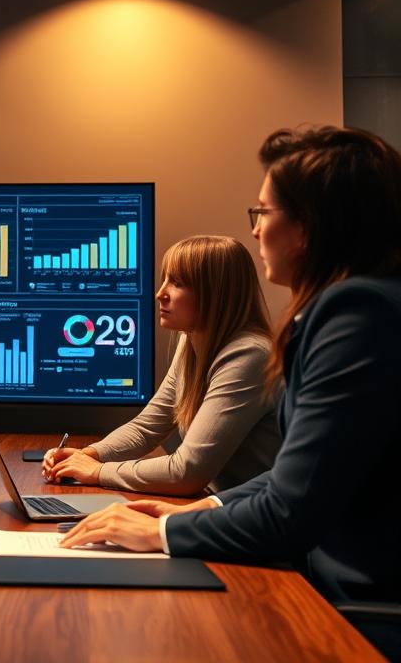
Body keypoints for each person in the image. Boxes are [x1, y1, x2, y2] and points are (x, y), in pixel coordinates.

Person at [61, 127, 401, 612]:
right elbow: (297, 477)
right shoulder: (361, 305)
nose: (257, 229)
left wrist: (161, 530)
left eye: (264, 212)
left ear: (309, 227)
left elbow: (289, 509)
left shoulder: (356, 312)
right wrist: (208, 507)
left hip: (353, 604)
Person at [42, 235, 280, 495]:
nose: (160, 294)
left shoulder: (250, 355)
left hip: (256, 521)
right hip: (217, 505)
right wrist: (88, 455)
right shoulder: (190, 340)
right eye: (165, 279)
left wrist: (97, 472)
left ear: (216, 294)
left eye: (177, 283)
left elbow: (187, 472)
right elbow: (146, 428)